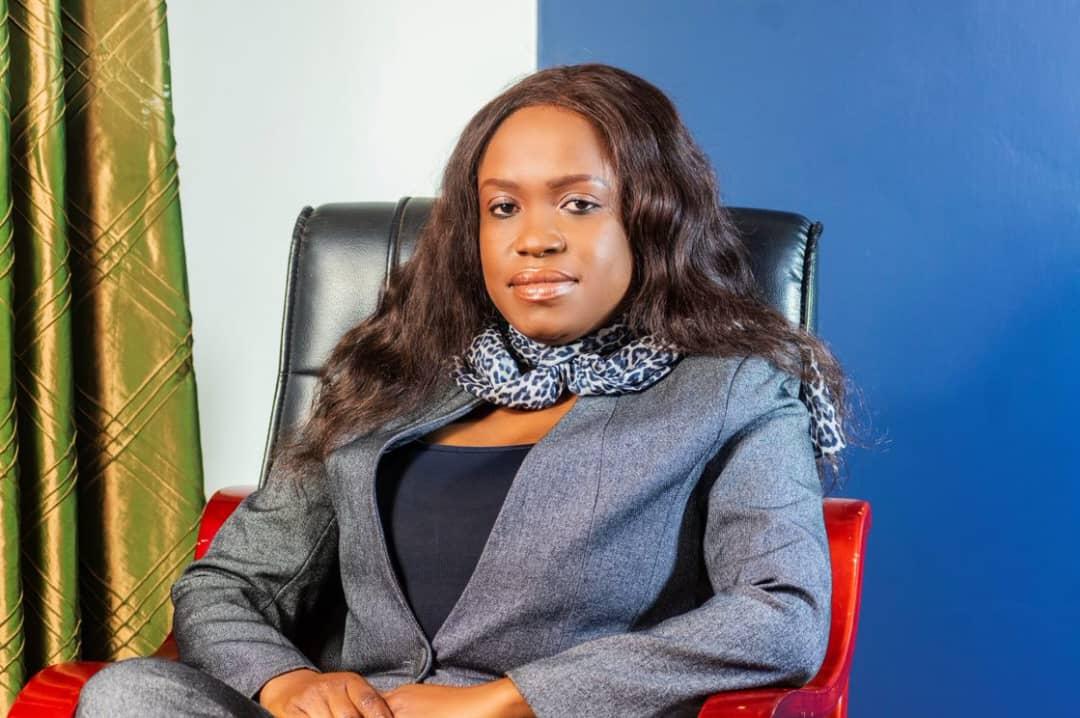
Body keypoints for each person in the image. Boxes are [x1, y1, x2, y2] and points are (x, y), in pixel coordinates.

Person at [76, 62, 851, 718]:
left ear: (651, 218)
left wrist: (508, 699)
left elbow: (780, 614)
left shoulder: (735, 391)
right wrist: (286, 683)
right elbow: (228, 587)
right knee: (129, 695)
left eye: (579, 203)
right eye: (502, 207)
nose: (534, 238)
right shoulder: (387, 377)